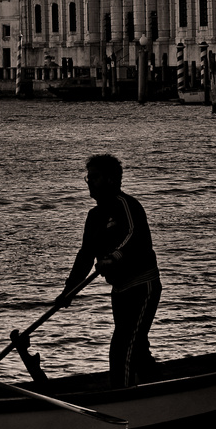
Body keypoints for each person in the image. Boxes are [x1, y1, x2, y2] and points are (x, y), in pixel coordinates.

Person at [55, 154, 160, 389]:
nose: (89, 182)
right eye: (88, 177)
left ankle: (121, 399)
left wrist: (114, 257)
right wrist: (69, 291)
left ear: (111, 180)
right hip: (120, 290)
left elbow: (135, 236)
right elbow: (85, 256)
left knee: (123, 347)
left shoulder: (126, 204)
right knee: (137, 347)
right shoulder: (93, 217)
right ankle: (160, 389)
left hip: (143, 286)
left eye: (94, 177)